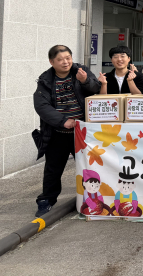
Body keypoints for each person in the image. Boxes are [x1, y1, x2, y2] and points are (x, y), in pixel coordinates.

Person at [33, 45, 100, 217]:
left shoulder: (81, 71)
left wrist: (85, 81)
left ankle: (94, 198)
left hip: (82, 132)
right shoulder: (45, 80)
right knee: (53, 169)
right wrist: (63, 121)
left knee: (89, 167)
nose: (65, 62)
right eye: (60, 59)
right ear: (51, 62)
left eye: (68, 58)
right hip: (58, 133)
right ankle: (46, 200)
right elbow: (42, 106)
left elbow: (96, 89)